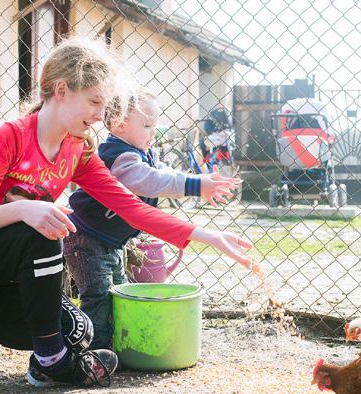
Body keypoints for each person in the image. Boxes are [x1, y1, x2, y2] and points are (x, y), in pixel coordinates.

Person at [0, 37, 252, 388]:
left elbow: (132, 208)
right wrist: (25, 209)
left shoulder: (77, 150)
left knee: (79, 330)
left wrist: (207, 235)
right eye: (94, 102)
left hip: (2, 281)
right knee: (45, 225)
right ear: (61, 90)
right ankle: (53, 362)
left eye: (104, 104)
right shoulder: (12, 137)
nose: (100, 115)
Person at [64, 83, 239, 350]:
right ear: (119, 124)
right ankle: (93, 352)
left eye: (155, 125)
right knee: (98, 297)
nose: (153, 132)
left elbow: (163, 171)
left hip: (109, 240)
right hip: (86, 239)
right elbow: (149, 180)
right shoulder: (118, 156)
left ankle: (114, 346)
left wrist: (199, 179)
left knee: (119, 291)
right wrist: (194, 186)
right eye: (147, 125)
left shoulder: (143, 151)